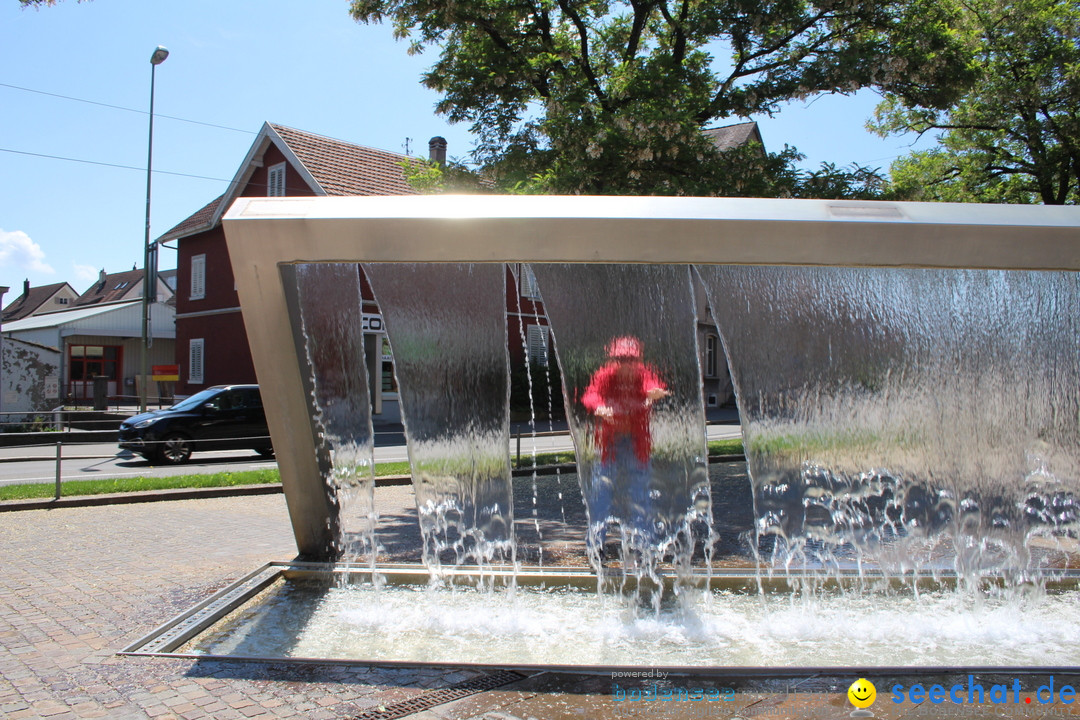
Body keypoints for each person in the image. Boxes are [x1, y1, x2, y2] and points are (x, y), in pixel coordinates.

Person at [581, 335, 669, 559]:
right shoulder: (606, 374)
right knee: (602, 492)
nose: (625, 365)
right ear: (614, 360)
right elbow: (590, 395)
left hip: (636, 443)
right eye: (621, 359)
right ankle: (595, 546)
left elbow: (654, 385)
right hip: (609, 444)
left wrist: (656, 391)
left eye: (629, 360)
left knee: (640, 493)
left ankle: (643, 546)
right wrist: (599, 407)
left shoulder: (643, 374)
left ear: (637, 360)